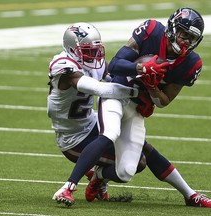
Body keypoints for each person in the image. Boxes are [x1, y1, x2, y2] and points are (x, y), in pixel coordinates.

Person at [85, 7, 211, 208]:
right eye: (183, 33)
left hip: (138, 107)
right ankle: (190, 195)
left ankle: (99, 176)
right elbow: (114, 65)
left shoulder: (191, 62)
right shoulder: (151, 30)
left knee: (133, 165)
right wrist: (141, 68)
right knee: (127, 142)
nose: (185, 41)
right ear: (173, 28)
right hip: (117, 94)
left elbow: (164, 101)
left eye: (191, 37)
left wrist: (153, 88)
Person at [47, 22, 143, 207]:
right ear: (72, 49)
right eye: (87, 50)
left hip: (90, 122)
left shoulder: (93, 63)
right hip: (73, 138)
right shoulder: (63, 65)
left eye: (96, 49)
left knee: (142, 150)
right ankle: (91, 180)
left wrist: (142, 74)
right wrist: (136, 93)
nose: (94, 55)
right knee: (135, 163)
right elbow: (99, 89)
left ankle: (189, 193)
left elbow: (115, 75)